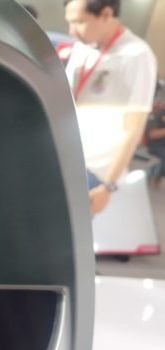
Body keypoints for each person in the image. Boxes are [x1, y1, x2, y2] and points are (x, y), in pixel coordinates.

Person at [63, 0, 157, 214]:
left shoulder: (136, 55)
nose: (71, 31)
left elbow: (133, 129)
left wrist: (108, 186)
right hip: (66, 155)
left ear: (106, 14)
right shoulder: (82, 47)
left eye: (79, 22)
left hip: (94, 171)